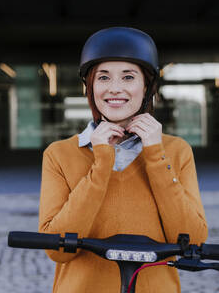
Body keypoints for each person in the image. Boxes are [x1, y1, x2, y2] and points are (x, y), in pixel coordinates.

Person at [38, 27, 208, 293]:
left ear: (147, 86)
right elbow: (57, 250)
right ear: (90, 87)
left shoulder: (176, 151)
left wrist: (155, 153)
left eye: (128, 77)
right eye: (103, 77)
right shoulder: (59, 154)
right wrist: (102, 162)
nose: (115, 89)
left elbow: (191, 241)